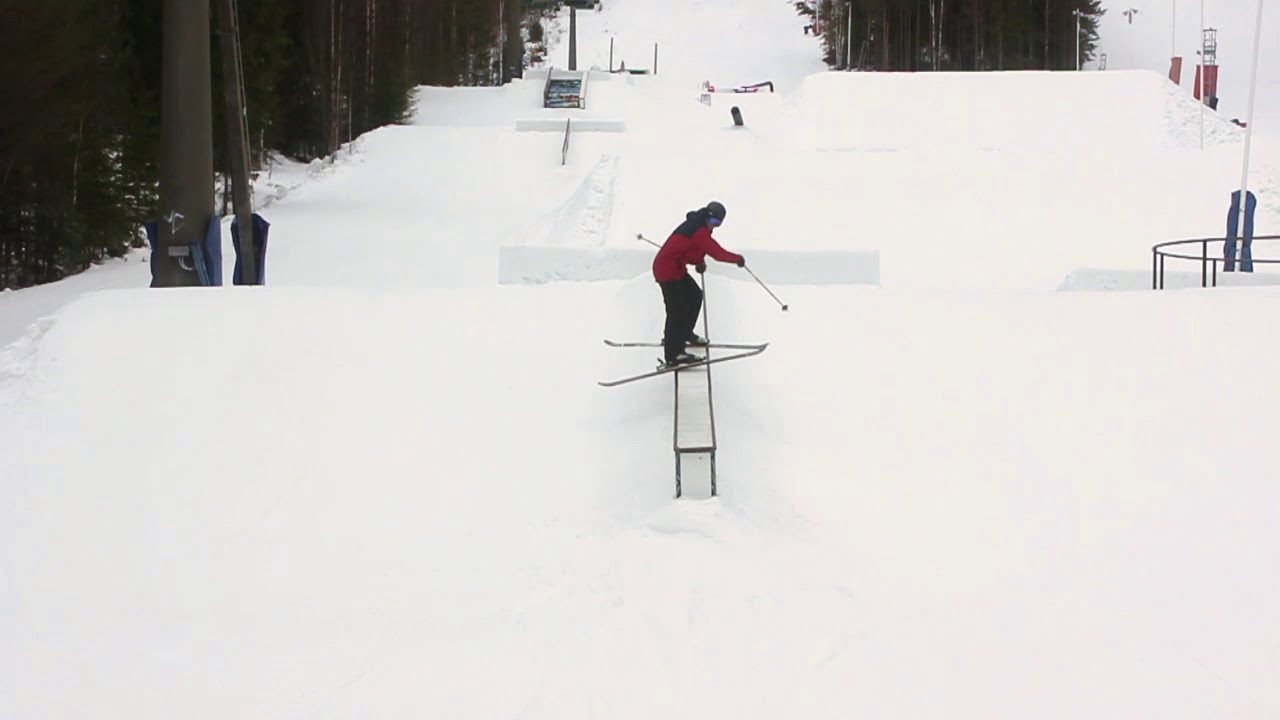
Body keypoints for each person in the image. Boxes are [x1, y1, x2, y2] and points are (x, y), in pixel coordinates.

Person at [651, 201, 745, 368]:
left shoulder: (698, 225)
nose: (715, 226)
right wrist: (736, 259)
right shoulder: (699, 230)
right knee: (676, 311)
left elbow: (693, 250)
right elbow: (717, 252)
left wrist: (699, 261)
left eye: (719, 223)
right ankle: (674, 354)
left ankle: (685, 333)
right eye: (714, 222)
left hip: (676, 269)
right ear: (707, 216)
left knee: (695, 295)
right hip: (667, 270)